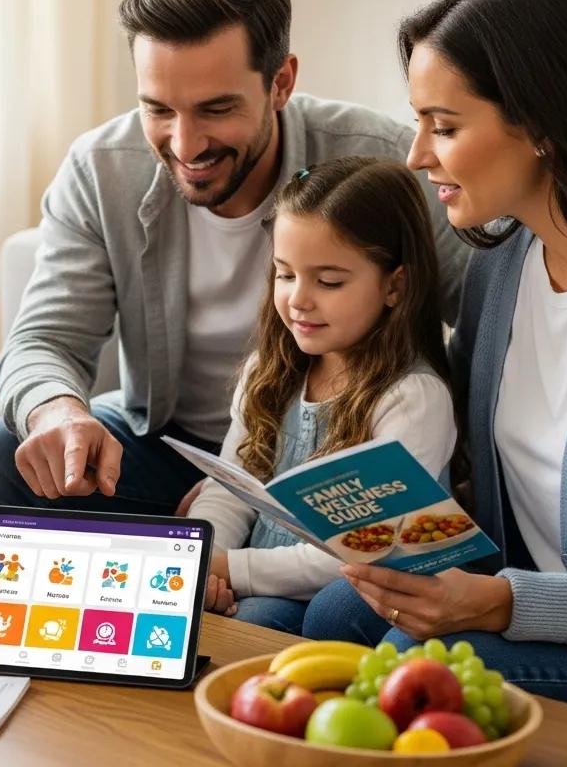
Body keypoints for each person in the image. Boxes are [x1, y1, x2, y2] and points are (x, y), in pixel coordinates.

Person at [0, 0, 468, 548]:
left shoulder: (381, 158)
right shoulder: (101, 170)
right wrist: (59, 412)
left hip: (327, 457)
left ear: (281, 82)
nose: (185, 144)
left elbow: (478, 326)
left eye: (217, 109)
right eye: (158, 109)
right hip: (161, 444)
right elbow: (43, 339)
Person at [301, 0, 567, 721]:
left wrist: (496, 604)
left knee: (414, 666)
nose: (417, 155)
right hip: (528, 596)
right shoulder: (501, 267)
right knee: (333, 617)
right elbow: (461, 473)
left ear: (543, 126)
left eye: (446, 126)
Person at [189, 157, 456, 634]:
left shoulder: (412, 398)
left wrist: (235, 570)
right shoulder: (268, 372)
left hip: (349, 585)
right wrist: (203, 557)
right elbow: (229, 488)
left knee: (263, 621)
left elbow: (366, 550)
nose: (298, 299)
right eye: (285, 274)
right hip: (253, 572)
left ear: (394, 285)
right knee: (210, 615)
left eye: (328, 281)